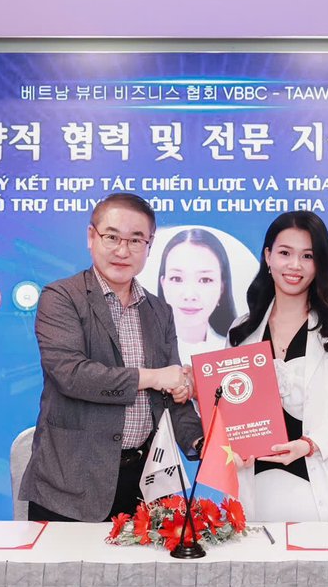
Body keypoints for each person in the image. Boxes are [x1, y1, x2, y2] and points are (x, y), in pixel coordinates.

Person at [19, 192, 205, 522]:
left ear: (149, 246)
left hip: (145, 485)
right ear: (91, 237)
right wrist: (155, 376)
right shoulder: (61, 297)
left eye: (136, 240)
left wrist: (201, 441)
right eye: (112, 237)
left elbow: (170, 397)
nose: (122, 250)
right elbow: (72, 375)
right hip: (71, 486)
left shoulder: (159, 310)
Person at [226, 211, 328, 522]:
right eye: (285, 253)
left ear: (319, 263)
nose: (294, 265)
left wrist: (310, 444)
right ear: (268, 257)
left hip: (324, 486)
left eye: (307, 256)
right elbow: (228, 408)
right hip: (256, 486)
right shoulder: (242, 330)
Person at [156, 228, 236, 364]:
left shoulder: (237, 354)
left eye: (205, 280)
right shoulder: (140, 349)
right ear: (163, 284)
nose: (189, 295)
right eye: (177, 278)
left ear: (222, 287)